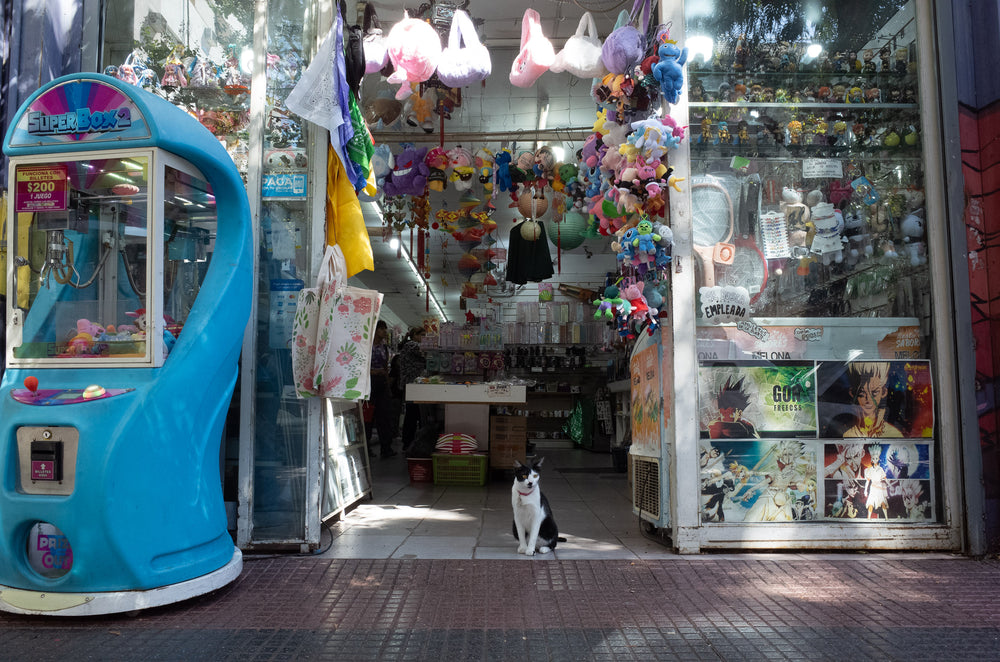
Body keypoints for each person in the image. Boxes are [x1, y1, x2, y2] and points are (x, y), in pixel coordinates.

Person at [843, 362, 903, 438]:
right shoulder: (847, 435)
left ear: (883, 392)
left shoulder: (894, 434)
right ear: (853, 393)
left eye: (874, 392)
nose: (868, 399)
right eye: (862, 392)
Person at [368, 320, 396, 458]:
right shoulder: (366, 347)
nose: (384, 332)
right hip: (369, 383)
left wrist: (387, 384)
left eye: (385, 329)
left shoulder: (384, 348)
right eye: (381, 329)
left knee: (384, 416)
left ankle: (386, 447)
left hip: (382, 383)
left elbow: (385, 367)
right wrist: (373, 372)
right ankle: (366, 448)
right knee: (368, 417)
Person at [398, 326, 427, 453]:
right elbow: (424, 350)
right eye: (422, 335)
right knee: (412, 414)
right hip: (411, 384)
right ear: (414, 335)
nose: (424, 338)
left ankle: (410, 442)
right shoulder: (411, 345)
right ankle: (408, 443)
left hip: (414, 385)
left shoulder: (410, 346)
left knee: (413, 414)